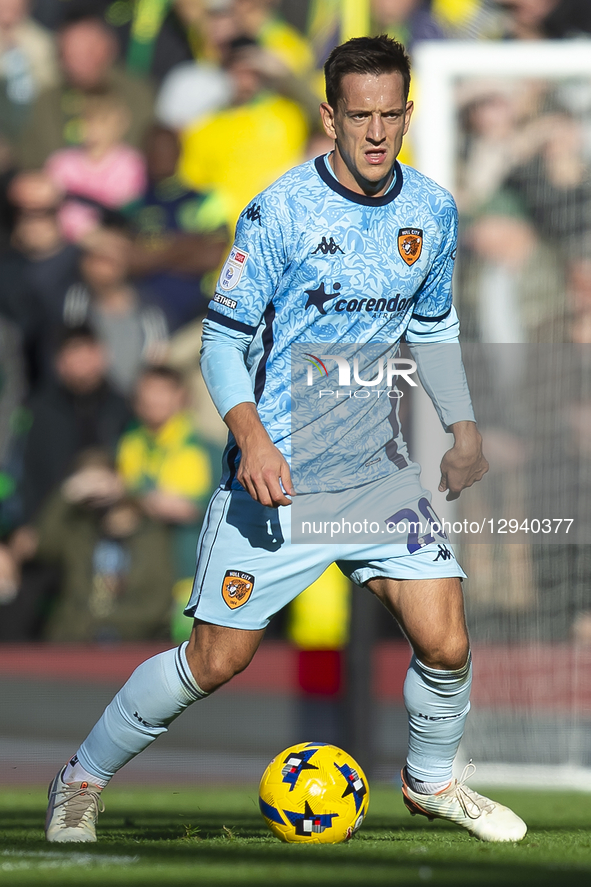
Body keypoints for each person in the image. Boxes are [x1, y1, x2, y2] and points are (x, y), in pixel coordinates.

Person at [45, 35, 527, 845]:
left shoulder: (433, 211)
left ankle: (431, 779)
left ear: (408, 113)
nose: (375, 133)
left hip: (377, 471)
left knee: (445, 638)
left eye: (389, 116)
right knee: (214, 660)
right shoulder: (281, 208)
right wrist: (255, 441)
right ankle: (79, 780)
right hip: (279, 474)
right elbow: (220, 339)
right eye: (358, 115)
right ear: (329, 116)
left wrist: (463, 424)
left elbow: (434, 325)